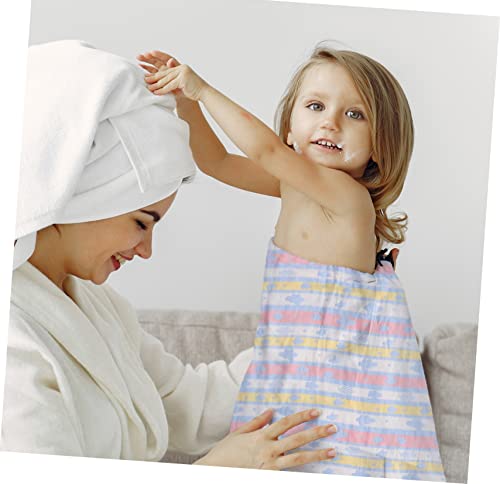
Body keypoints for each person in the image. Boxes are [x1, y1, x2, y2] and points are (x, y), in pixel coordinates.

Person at [1, 40, 339, 469]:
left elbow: (186, 400)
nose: (146, 250)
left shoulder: (98, 306)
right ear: (80, 199)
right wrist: (218, 470)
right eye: (142, 222)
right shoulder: (13, 343)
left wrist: (304, 335)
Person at [138, 45, 445, 480]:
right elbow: (216, 162)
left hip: (334, 375)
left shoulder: (347, 196)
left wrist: (202, 89)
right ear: (290, 127)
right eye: (316, 106)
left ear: (382, 143)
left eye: (355, 114)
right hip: (293, 363)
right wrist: (187, 105)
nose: (331, 122)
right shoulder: (297, 185)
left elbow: (265, 152)